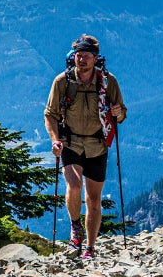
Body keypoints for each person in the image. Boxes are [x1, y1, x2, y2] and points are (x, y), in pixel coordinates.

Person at [44, 34, 127, 260]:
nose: (81, 60)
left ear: (95, 58)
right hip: (70, 142)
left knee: (93, 199)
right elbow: (50, 115)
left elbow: (121, 113)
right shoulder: (62, 82)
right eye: (78, 55)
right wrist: (55, 140)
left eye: (86, 56)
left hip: (97, 144)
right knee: (73, 185)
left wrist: (119, 114)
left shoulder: (109, 82)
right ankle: (75, 228)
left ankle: (89, 247)